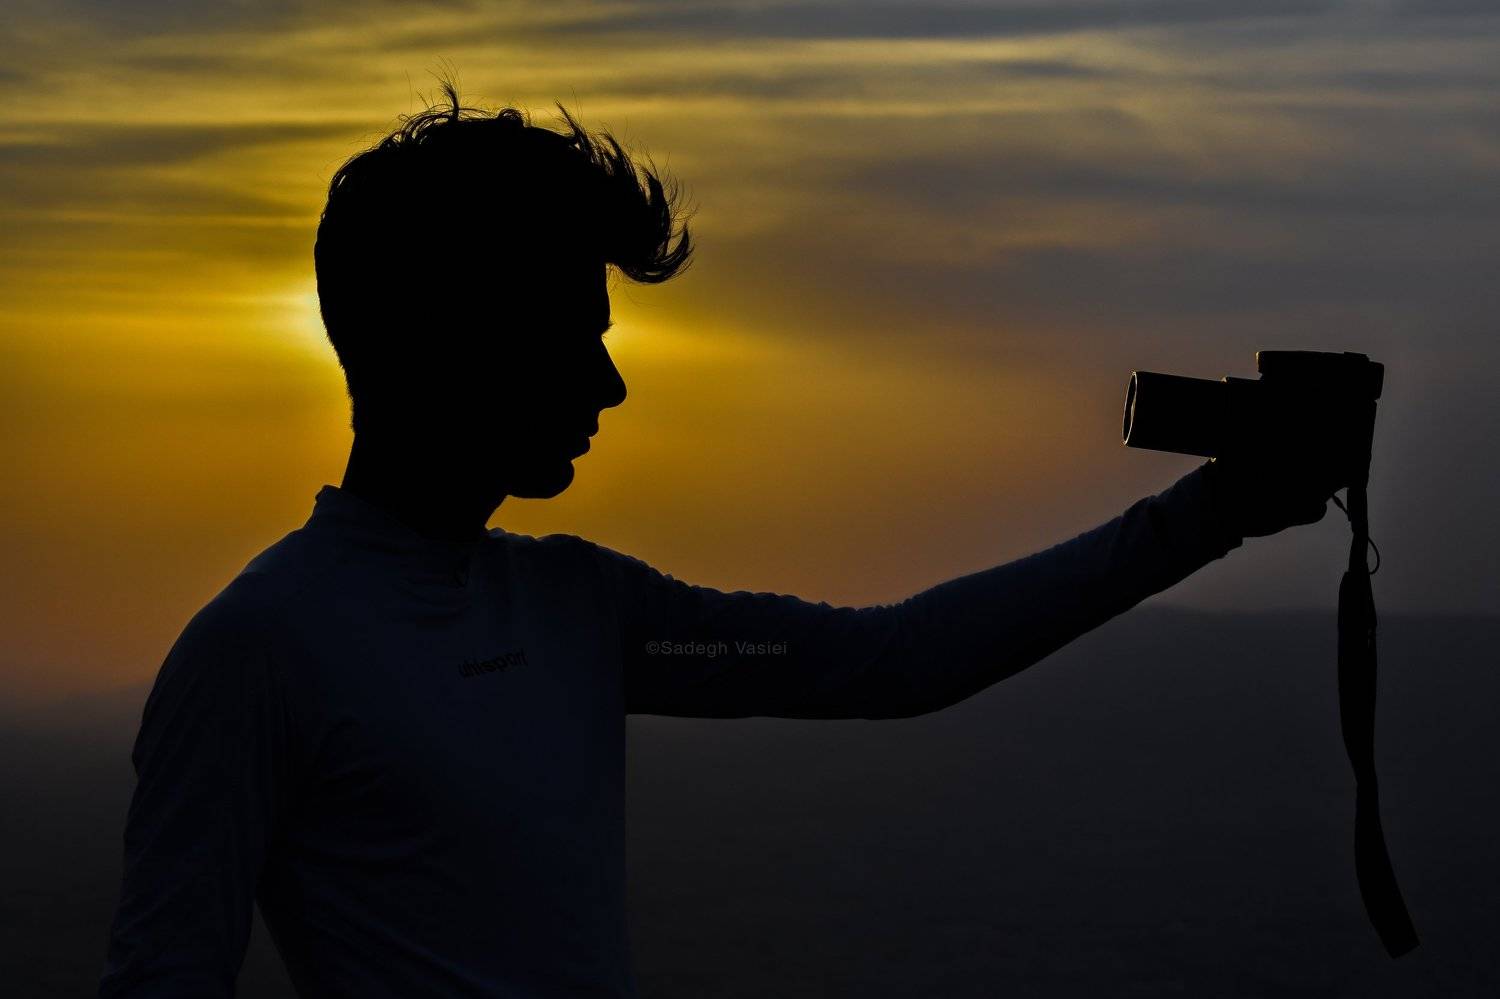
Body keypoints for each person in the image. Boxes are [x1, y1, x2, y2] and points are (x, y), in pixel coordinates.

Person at [97, 84, 1342, 998]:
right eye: (574, 338)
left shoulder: (578, 608)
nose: (608, 387)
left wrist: (1211, 514)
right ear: (456, 339)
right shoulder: (259, 652)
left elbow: (890, 663)